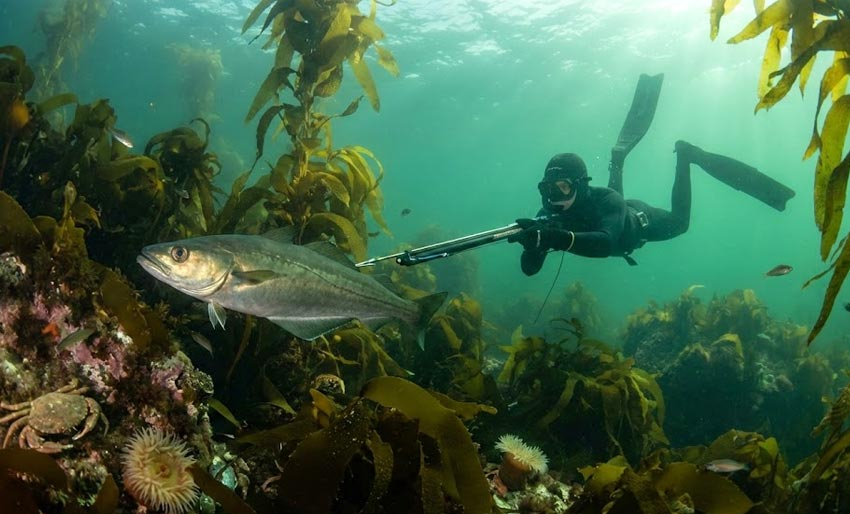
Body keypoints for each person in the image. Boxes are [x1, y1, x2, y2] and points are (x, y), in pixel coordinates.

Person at [508, 142, 795, 276]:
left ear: (580, 186)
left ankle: (686, 158)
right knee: (611, 203)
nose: (554, 197)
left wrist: (555, 239)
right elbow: (529, 270)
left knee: (681, 223)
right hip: (610, 213)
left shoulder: (606, 200)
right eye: (547, 189)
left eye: (563, 187)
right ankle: (617, 162)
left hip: (638, 221)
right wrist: (534, 244)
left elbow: (606, 243)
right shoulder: (550, 213)